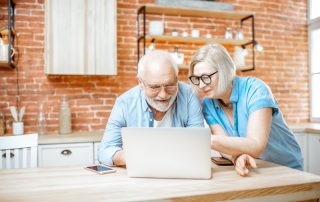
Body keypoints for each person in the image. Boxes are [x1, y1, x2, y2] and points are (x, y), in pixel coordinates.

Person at [188, 43, 303, 175]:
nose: (202, 84)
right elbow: (224, 147)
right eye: (197, 79)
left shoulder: (256, 89)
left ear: (225, 71)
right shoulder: (208, 104)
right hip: (254, 168)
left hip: (286, 168)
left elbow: (256, 145)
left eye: (206, 77)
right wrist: (236, 157)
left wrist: (206, 139)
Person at [98, 50, 204, 167]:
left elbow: (197, 144)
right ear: (140, 83)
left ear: (177, 78)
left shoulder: (190, 95)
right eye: (155, 87)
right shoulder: (125, 103)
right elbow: (105, 150)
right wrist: (131, 157)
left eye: (170, 85)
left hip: (180, 171)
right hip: (140, 173)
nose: (163, 95)